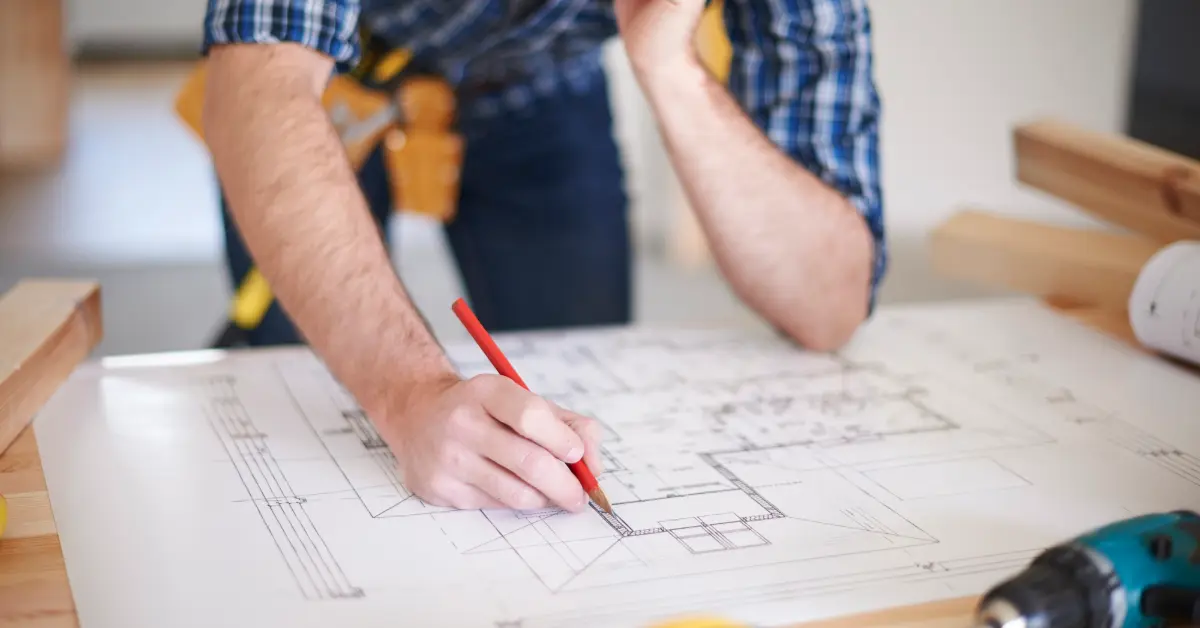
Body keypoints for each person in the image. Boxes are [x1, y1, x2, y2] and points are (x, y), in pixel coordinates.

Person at [200, 0, 885, 516]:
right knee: (300, 400)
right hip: (325, 77)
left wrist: (668, 65)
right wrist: (407, 395)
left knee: (566, 406)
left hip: (538, 79)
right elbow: (260, 76)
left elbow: (827, 305)